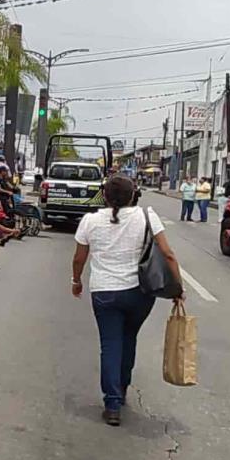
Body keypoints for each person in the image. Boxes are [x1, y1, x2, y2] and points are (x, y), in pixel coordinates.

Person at [71, 175, 183, 427]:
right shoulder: (146, 217)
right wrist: (178, 287)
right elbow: (167, 253)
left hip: (105, 292)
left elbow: (79, 258)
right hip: (139, 293)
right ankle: (121, 389)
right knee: (129, 337)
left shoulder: (90, 221)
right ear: (133, 195)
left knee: (110, 344)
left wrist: (76, 281)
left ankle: (112, 404)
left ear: (105, 196)